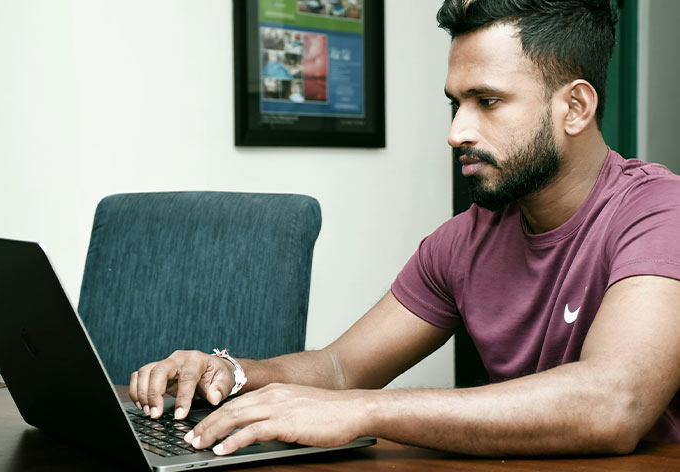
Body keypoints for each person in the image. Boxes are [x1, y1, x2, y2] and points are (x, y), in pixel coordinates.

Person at [130, 0, 680, 457]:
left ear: (576, 106)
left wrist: (363, 409)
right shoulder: (463, 240)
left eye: (487, 101)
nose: (457, 131)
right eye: (456, 103)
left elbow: (615, 402)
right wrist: (231, 372)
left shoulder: (659, 211)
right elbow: (341, 367)